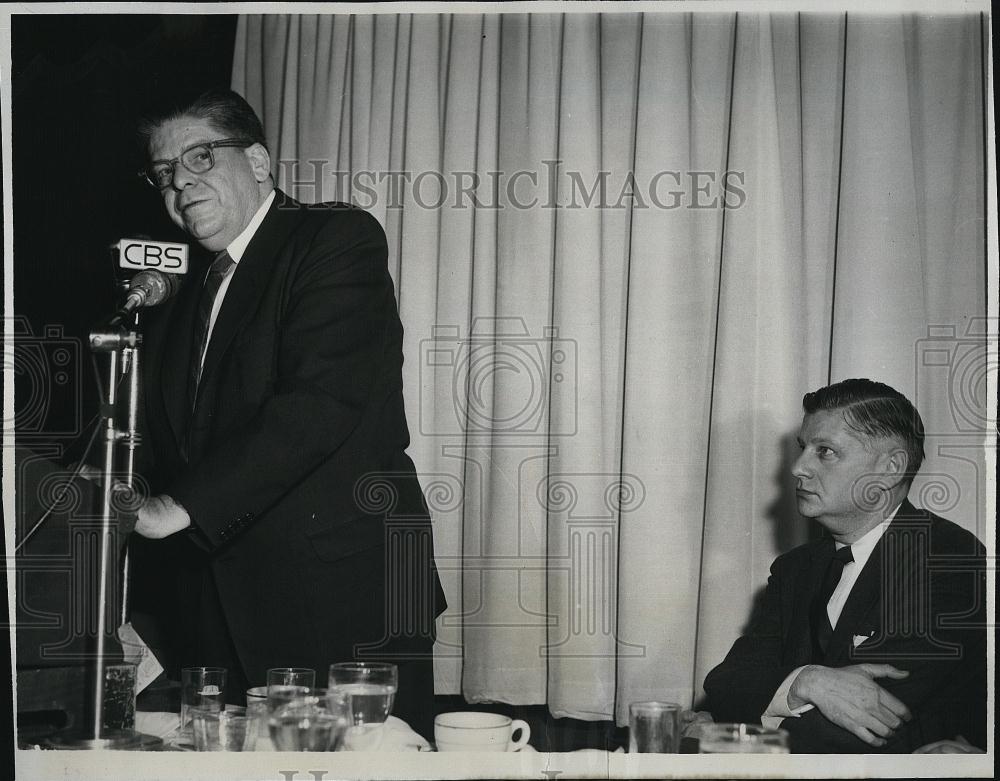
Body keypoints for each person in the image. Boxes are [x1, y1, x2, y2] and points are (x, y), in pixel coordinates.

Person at [126, 88, 445, 738]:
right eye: (165, 174)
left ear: (261, 161)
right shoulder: (179, 295)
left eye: (201, 158)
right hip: (220, 613)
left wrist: (175, 508)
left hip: (342, 601)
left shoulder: (333, 240)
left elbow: (318, 405)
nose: (181, 185)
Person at [703, 379, 985, 753]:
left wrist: (718, 735)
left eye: (825, 452)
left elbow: (867, 732)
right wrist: (808, 680)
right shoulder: (795, 569)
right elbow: (724, 686)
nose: (798, 469)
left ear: (890, 468)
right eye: (804, 448)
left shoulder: (948, 560)